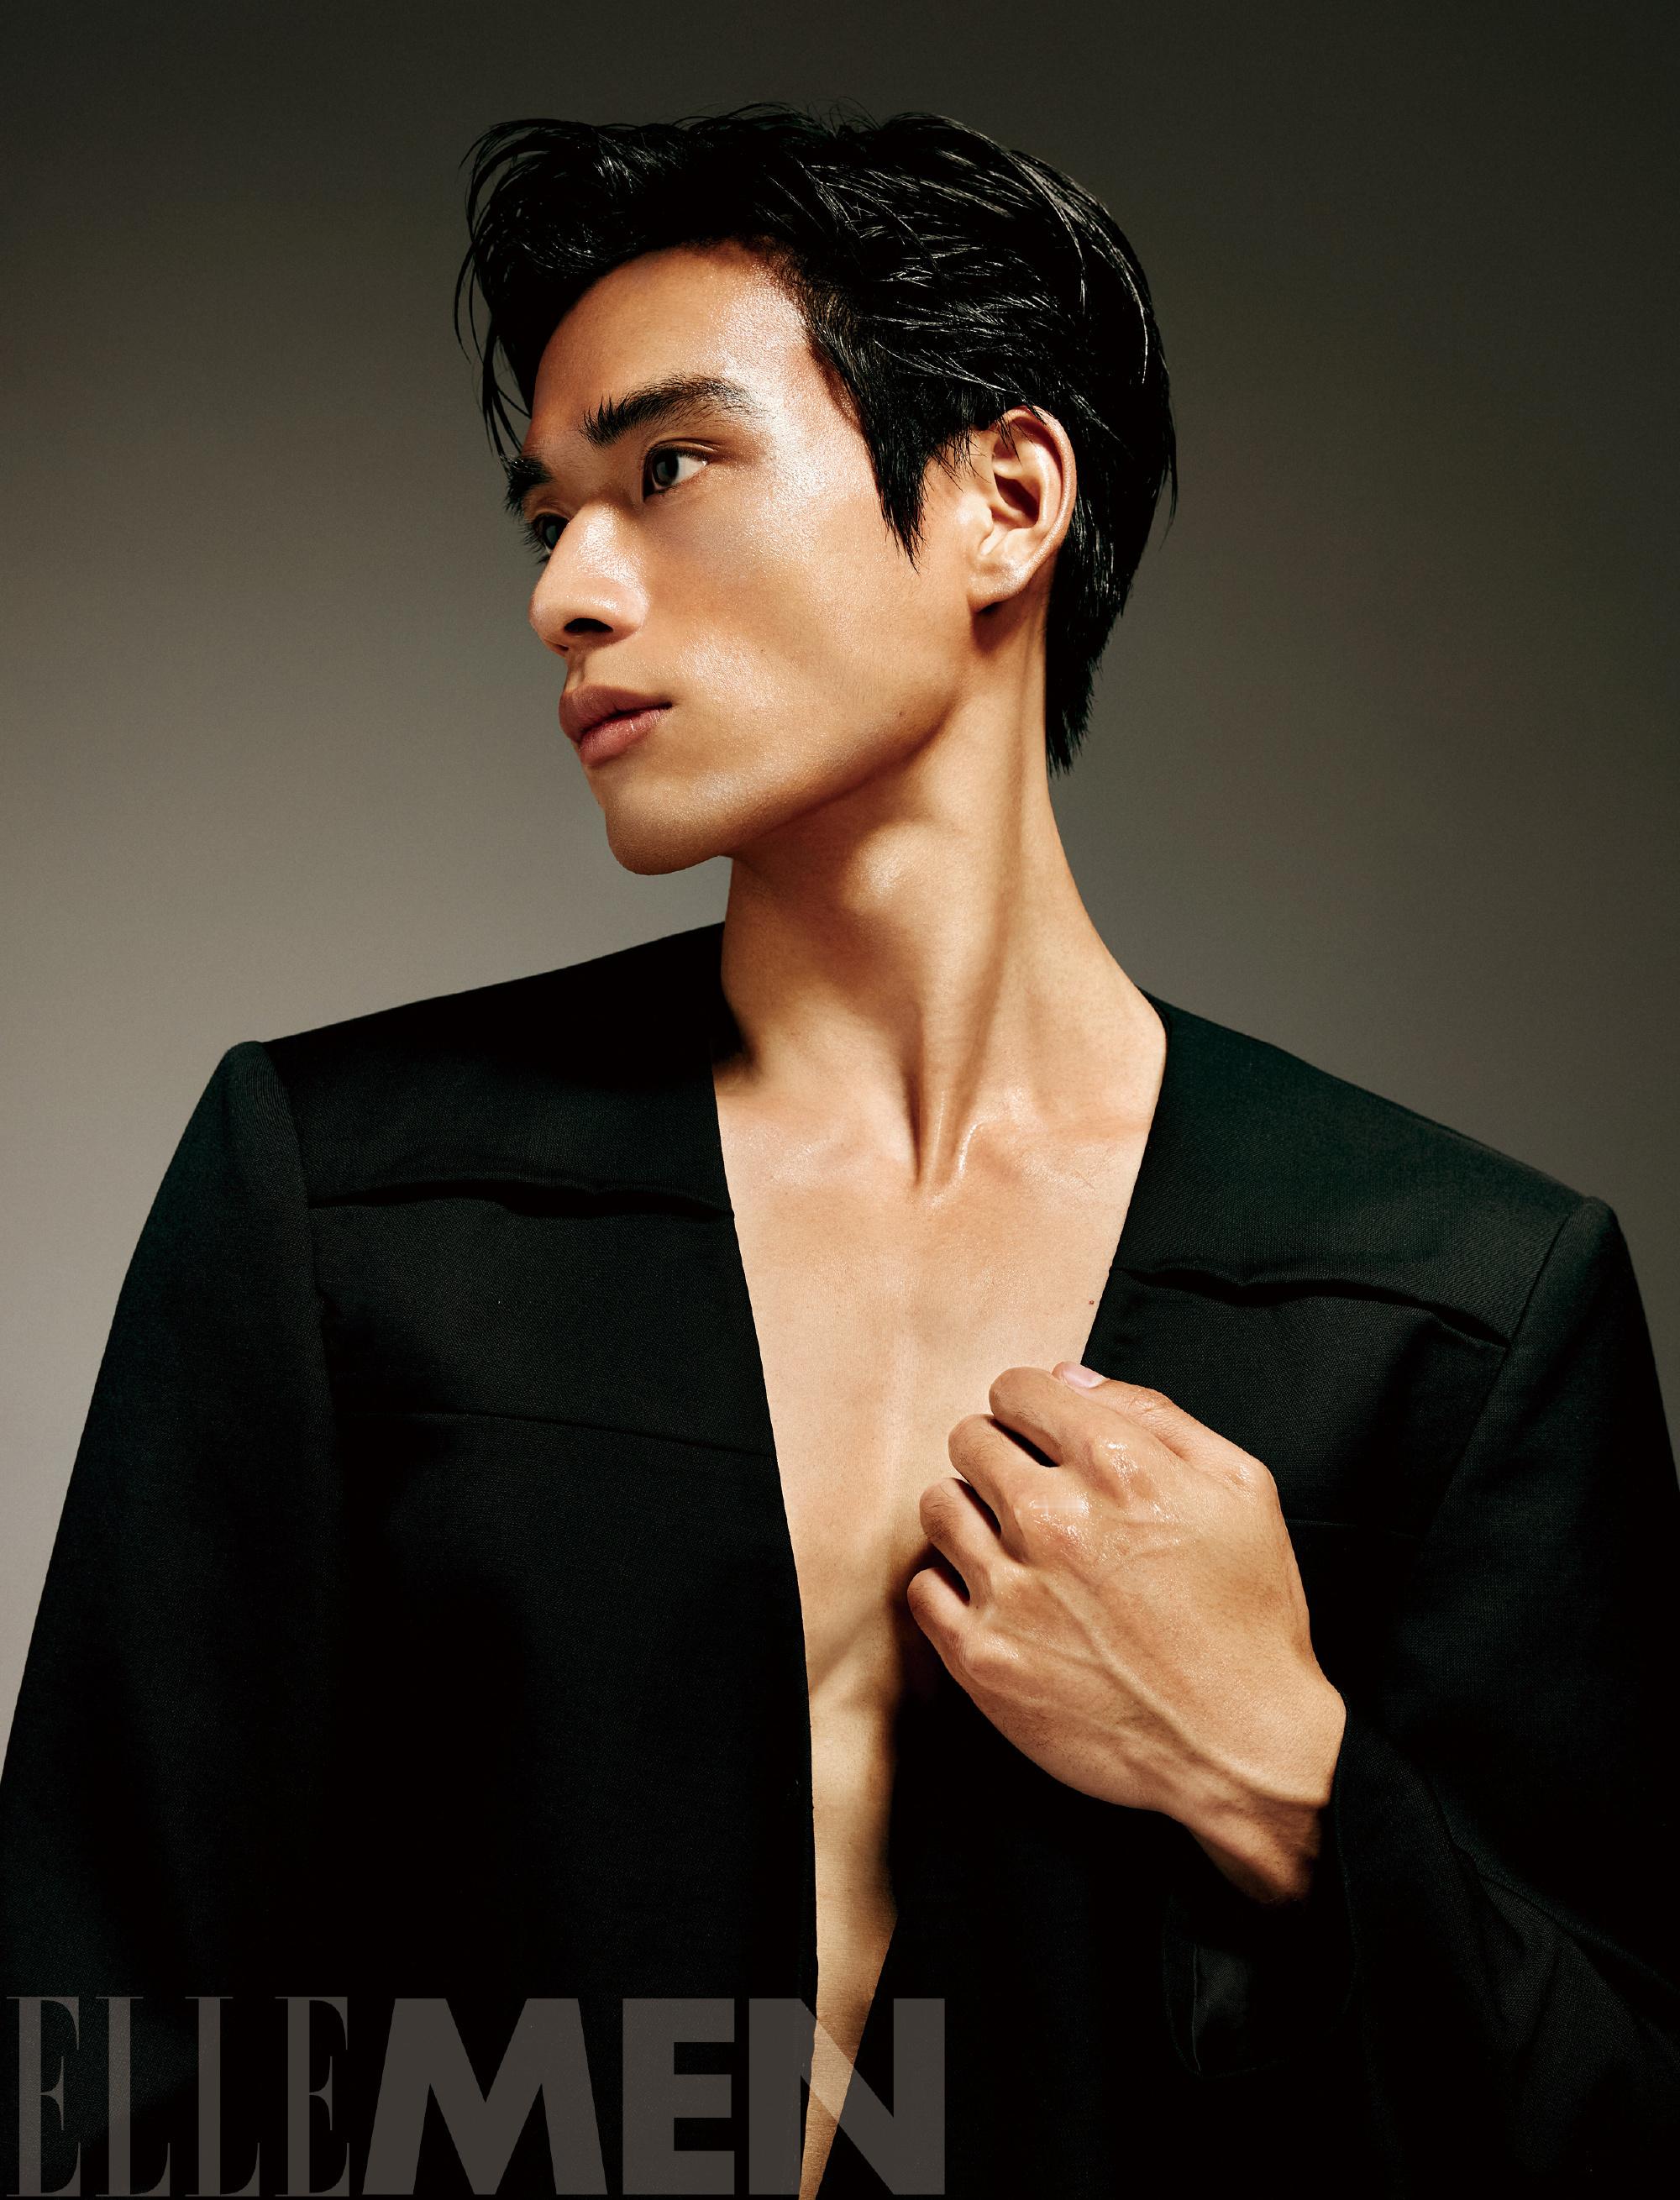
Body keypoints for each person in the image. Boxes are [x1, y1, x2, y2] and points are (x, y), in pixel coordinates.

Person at [3, 104, 1677, 2199]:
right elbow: (94, 2051)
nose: (564, 591)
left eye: (666, 470)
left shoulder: (1456, 1296)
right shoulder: (343, 1199)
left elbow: (1620, 2120)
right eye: (547, 515)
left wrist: (1283, 1773)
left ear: (1005, 499)